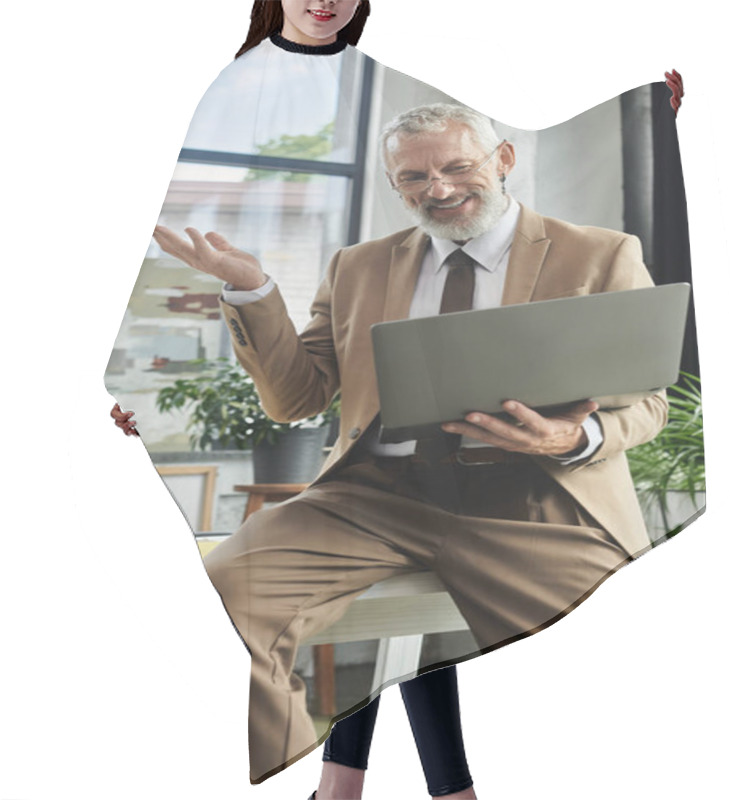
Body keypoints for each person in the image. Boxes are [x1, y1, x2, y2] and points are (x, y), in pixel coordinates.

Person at [152, 97, 669, 786]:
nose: (441, 190)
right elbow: (296, 397)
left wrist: (573, 436)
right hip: (373, 499)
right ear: (396, 184)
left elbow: (648, 404)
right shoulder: (358, 267)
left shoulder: (598, 255)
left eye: (458, 167)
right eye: (416, 179)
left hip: (534, 502)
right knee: (218, 609)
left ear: (503, 159)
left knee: (605, 682)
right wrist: (254, 292)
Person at [110, 2, 476, 798]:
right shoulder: (228, 94)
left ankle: (352, 785)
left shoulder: (402, 90)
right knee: (363, 597)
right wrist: (141, 371)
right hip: (372, 487)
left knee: (391, 607)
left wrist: (649, 112)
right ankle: (397, 787)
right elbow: (296, 393)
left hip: (457, 489)